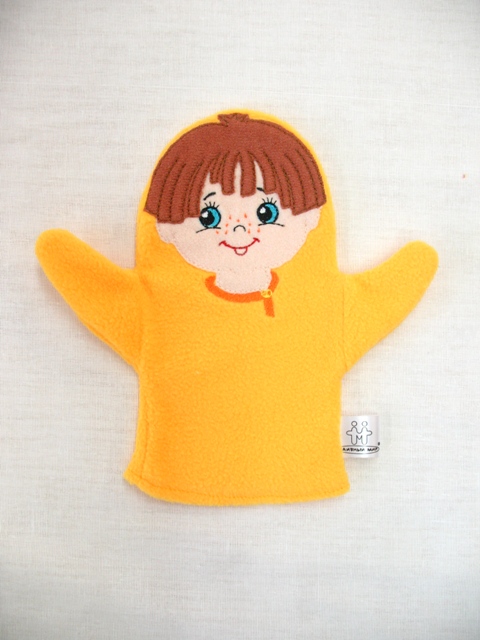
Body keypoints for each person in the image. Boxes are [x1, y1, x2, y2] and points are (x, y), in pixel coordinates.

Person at [36, 111, 438, 505]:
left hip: (197, 477)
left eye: (266, 213)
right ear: (167, 228)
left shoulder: (321, 305)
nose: (241, 231)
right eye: (210, 216)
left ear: (310, 218)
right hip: (231, 477)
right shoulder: (161, 306)